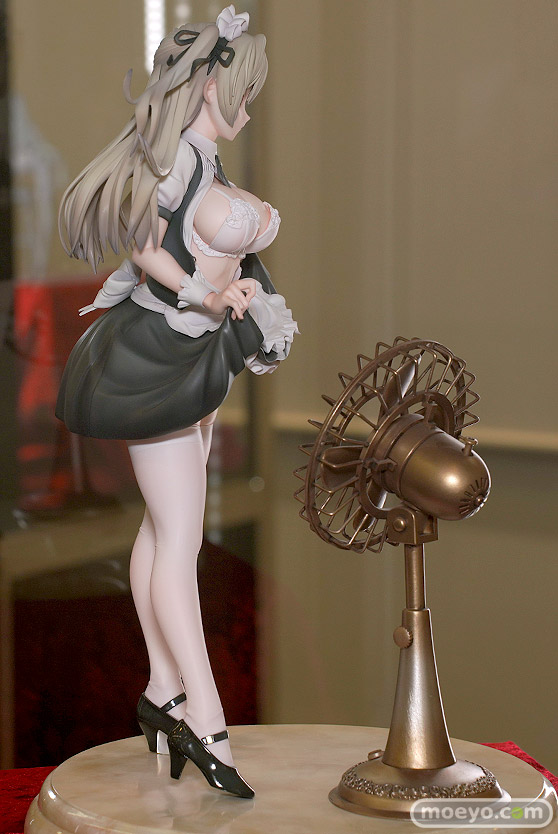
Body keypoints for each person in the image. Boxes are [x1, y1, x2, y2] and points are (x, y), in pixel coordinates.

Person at [56, 5, 297, 799]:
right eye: (244, 94)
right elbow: (143, 247)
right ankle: (206, 714)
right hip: (154, 356)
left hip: (195, 353)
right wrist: (204, 292)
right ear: (210, 88)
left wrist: (237, 296)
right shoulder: (174, 169)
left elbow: (214, 245)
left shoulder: (205, 163)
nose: (249, 110)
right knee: (182, 539)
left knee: (166, 532)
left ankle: (164, 690)